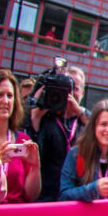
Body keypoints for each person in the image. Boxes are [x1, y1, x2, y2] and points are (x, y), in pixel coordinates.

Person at [28, 64, 88, 201]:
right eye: (67, 88)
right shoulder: (47, 118)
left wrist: (78, 111)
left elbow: (98, 128)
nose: (70, 93)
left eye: (75, 88)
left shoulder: (84, 123)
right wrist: (36, 116)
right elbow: (33, 150)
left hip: (75, 198)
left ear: (83, 93)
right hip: (46, 197)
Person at [0, 69, 40, 203]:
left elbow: (31, 196)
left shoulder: (23, 140)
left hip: (15, 214)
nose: (5, 101)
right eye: (0, 95)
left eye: (10, 96)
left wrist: (35, 167)